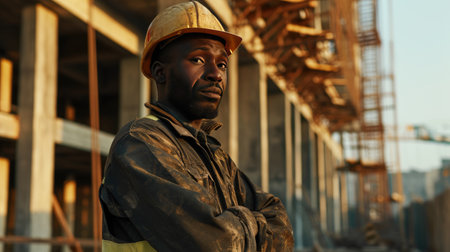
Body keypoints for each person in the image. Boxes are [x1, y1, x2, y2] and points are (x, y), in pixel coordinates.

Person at [100, 1, 294, 251]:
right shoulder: (139, 144)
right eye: (199, 59)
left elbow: (281, 223)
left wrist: (238, 225)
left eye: (222, 64)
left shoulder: (213, 154)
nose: (216, 74)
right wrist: (256, 225)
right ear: (160, 73)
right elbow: (215, 244)